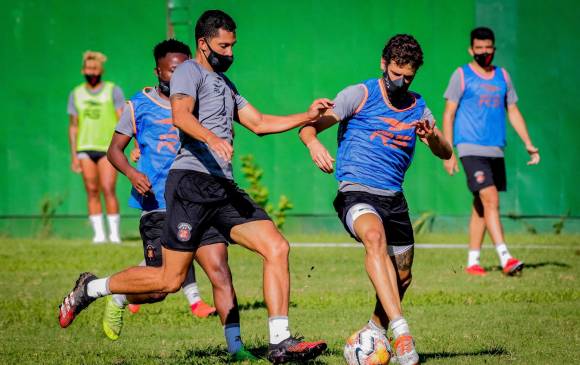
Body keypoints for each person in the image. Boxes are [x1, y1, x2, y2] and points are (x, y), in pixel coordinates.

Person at [59, 10, 330, 364]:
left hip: (222, 188)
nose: (230, 53)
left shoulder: (226, 85)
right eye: (224, 46)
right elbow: (181, 115)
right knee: (169, 281)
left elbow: (260, 123)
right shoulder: (188, 70)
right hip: (191, 184)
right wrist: (211, 138)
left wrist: (307, 117)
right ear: (203, 44)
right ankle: (92, 288)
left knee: (276, 247)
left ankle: (280, 343)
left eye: (233, 46)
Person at [299, 34, 452, 365]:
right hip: (356, 191)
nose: (401, 80)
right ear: (384, 64)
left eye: (408, 76)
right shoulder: (361, 94)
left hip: (394, 199)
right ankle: (403, 335)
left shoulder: (419, 107)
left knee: (404, 276)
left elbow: (445, 151)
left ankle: (374, 330)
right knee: (374, 238)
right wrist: (313, 144)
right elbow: (307, 128)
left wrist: (433, 138)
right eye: (396, 72)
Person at [103, 39, 221, 343]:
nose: (179, 76)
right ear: (157, 71)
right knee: (158, 287)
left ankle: (235, 344)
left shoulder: (200, 102)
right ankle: (117, 296)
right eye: (172, 70)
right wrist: (131, 172)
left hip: (194, 198)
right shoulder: (139, 105)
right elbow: (114, 150)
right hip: (157, 201)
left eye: (185, 69)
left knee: (217, 265)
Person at [441, 27, 540, 276]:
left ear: (494, 48)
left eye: (488, 47)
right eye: (479, 48)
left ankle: (473, 261)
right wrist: (449, 152)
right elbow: (449, 113)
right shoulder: (462, 75)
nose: (484, 52)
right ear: (471, 49)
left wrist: (528, 142)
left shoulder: (502, 76)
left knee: (481, 204)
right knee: (491, 199)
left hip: (496, 149)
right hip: (469, 148)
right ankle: (506, 257)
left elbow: (513, 111)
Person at [67, 51, 125, 243]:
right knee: (91, 189)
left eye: (95, 68)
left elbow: (122, 119)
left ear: (101, 70)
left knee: (108, 188)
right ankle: (99, 235)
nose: (91, 72)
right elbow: (74, 126)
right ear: (83, 70)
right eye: (88, 68)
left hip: (107, 149)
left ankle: (114, 235)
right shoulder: (76, 93)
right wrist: (74, 154)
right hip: (85, 148)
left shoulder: (112, 90)